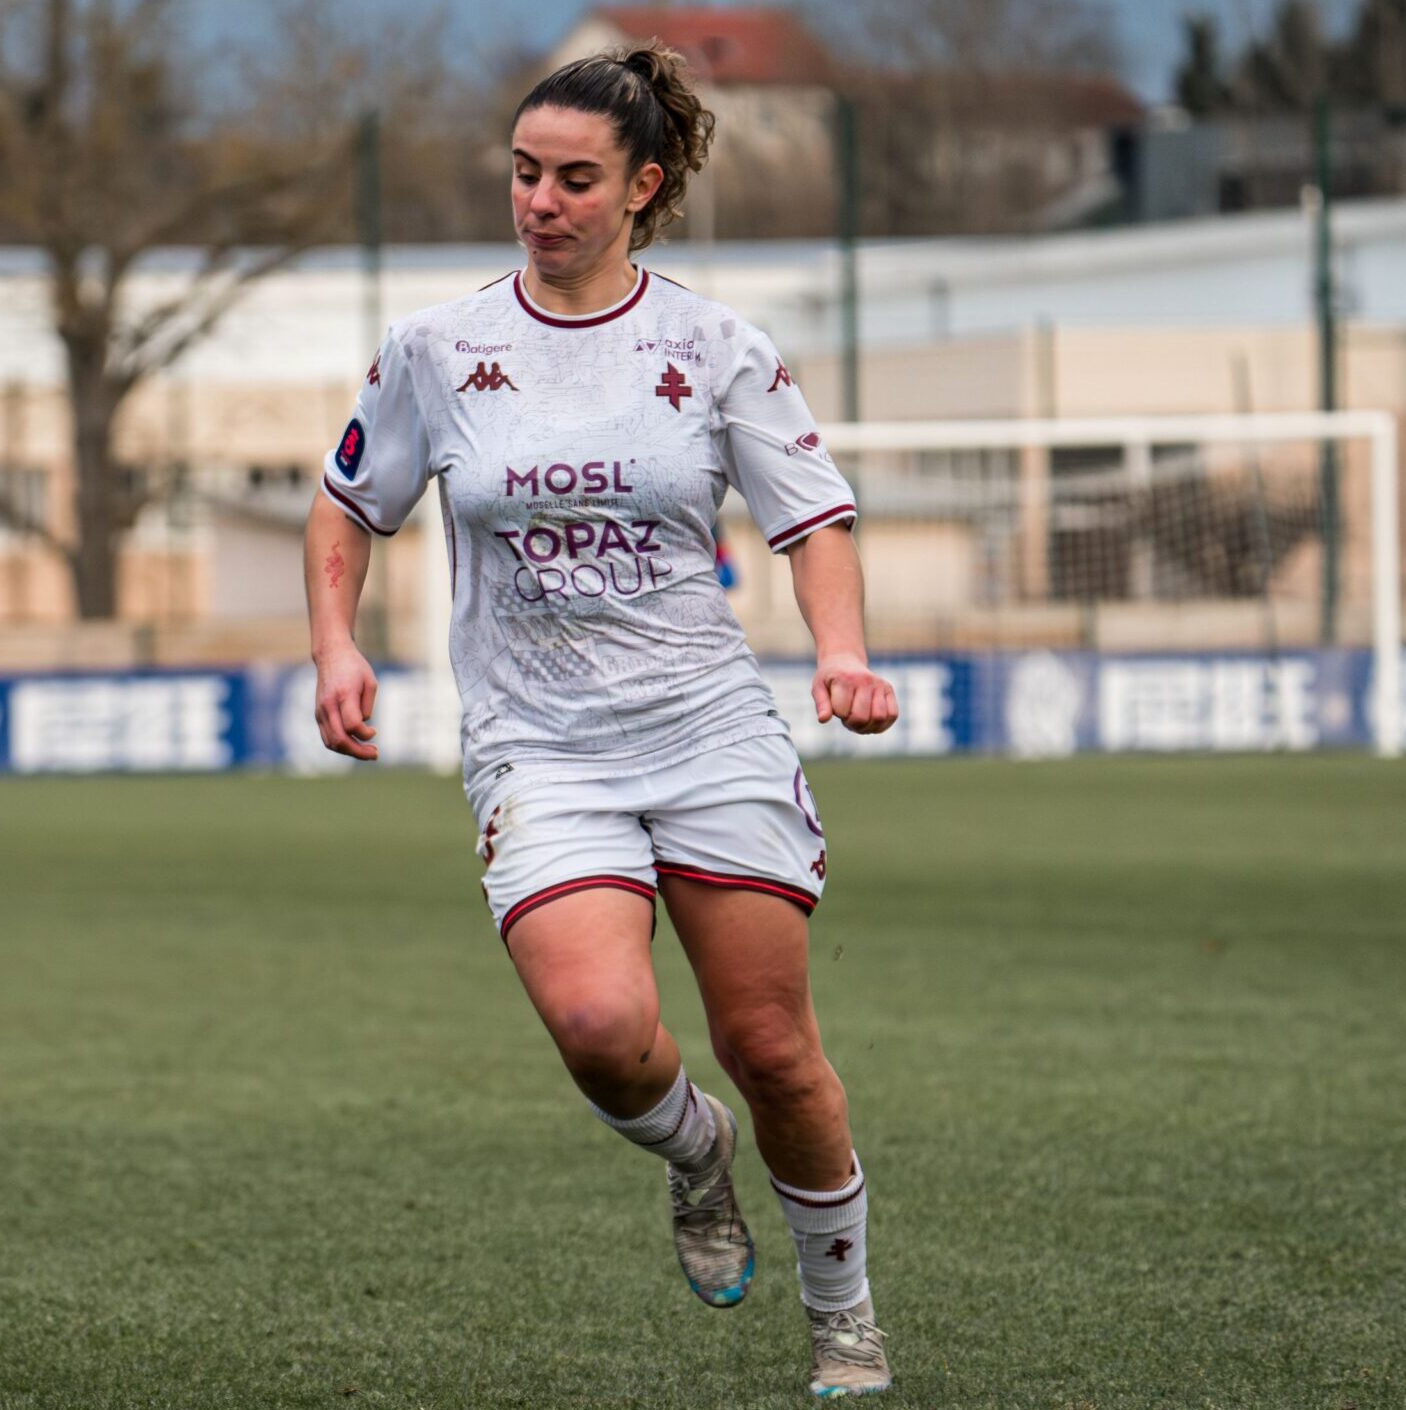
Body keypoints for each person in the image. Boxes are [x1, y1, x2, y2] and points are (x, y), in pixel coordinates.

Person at [304, 44, 900, 1400]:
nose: (541, 201)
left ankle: (845, 1321)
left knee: (772, 1049)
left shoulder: (715, 348)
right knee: (595, 1023)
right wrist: (337, 647)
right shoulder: (438, 350)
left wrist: (845, 653)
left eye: (575, 179)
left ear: (642, 186)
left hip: (706, 732)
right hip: (542, 745)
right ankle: (696, 1152)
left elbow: (816, 520)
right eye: (524, 174)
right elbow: (347, 507)